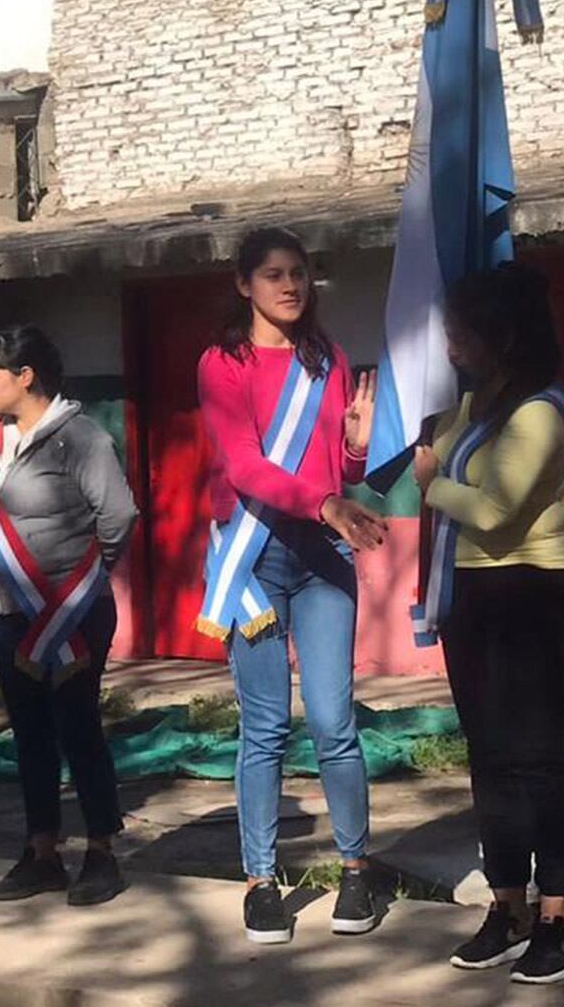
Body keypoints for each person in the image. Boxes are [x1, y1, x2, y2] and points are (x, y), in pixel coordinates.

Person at [196, 226, 386, 944]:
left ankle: (358, 871)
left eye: (299, 273)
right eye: (273, 274)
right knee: (266, 726)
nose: (289, 286)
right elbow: (244, 467)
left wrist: (358, 442)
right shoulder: (223, 363)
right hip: (253, 559)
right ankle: (260, 879)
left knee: (336, 721)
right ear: (244, 284)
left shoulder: (327, 357)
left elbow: (344, 472)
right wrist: (327, 501)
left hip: (323, 557)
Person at [411, 263, 564, 985]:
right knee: (489, 758)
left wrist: (434, 485)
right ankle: (508, 903)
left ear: (504, 335)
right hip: (474, 595)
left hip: (535, 590)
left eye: (463, 332)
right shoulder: (477, 400)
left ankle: (559, 916)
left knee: (538, 757)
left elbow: (491, 509)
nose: (451, 345)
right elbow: (427, 459)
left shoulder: (539, 410)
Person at [0, 325, 139, 907]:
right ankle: (41, 850)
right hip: (6, 613)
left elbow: (117, 516)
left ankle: (100, 849)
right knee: (30, 733)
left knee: (78, 727)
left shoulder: (81, 438)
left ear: (26, 377)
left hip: (71, 616)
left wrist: (87, 578)